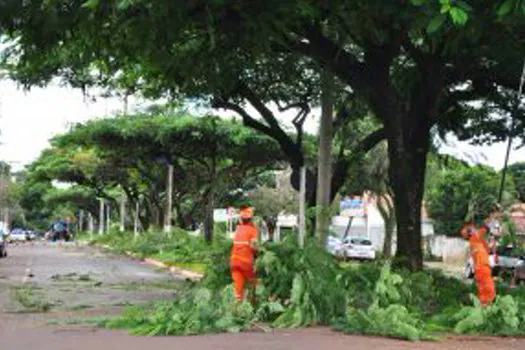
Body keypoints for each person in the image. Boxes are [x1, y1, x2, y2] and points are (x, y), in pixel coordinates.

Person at [460, 221, 495, 306]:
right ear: (470, 232)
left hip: (481, 267)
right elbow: (484, 229)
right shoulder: (474, 239)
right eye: (472, 228)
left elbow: (488, 250)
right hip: (482, 266)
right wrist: (488, 223)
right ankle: (486, 306)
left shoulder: (477, 241)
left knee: (485, 289)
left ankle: (484, 306)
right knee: (488, 289)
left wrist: (493, 242)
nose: (475, 228)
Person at [230, 206, 258, 303]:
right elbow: (254, 247)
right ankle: (253, 303)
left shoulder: (238, 229)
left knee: (238, 288)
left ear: (241, 219)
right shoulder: (253, 230)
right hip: (246, 262)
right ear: (251, 219)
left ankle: (237, 307)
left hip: (234, 262)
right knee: (253, 283)